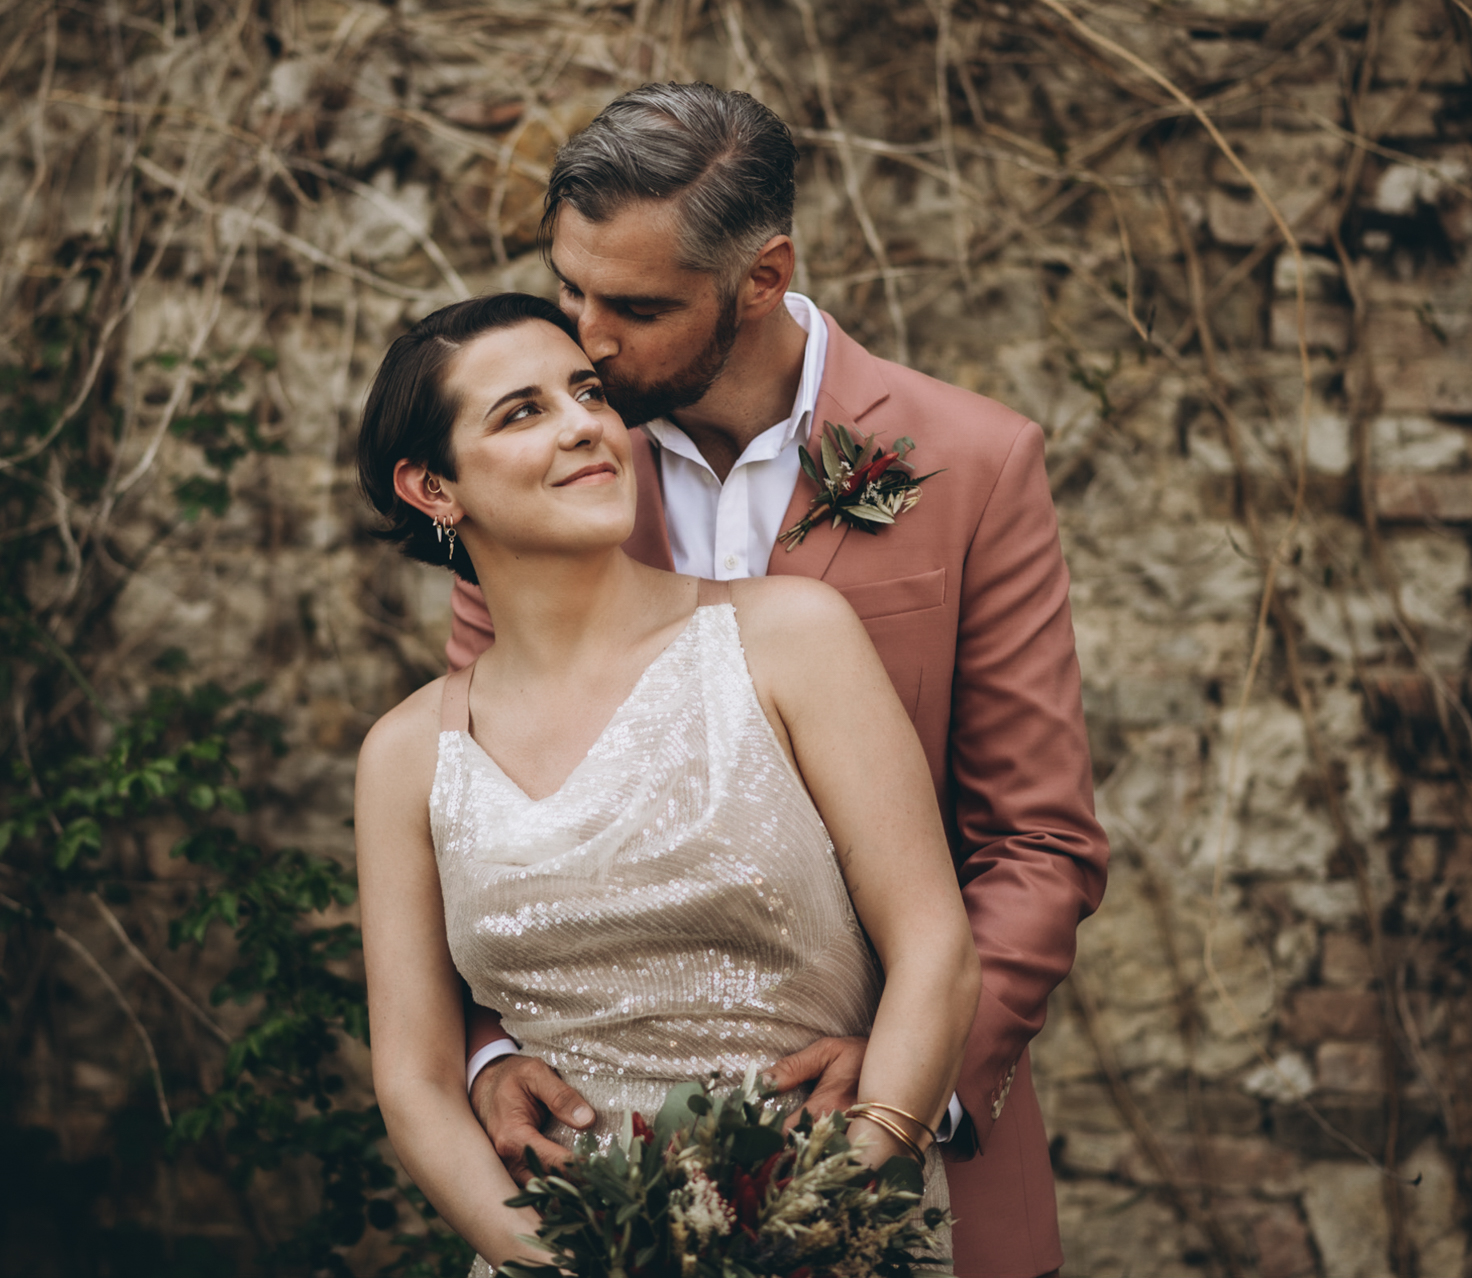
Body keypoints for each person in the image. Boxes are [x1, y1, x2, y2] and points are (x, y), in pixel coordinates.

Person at [443, 84, 1108, 1278]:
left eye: (636, 307)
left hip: (907, 1160)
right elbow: (479, 812)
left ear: (761, 278)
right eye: (570, 290)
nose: (586, 341)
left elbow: (1039, 842)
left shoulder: (974, 464)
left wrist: (908, 1075)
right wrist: (491, 1055)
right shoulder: (539, 478)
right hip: (607, 1181)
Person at [353, 291, 981, 1272]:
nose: (584, 426)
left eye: (589, 392)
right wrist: (555, 1261)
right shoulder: (405, 756)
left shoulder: (791, 641)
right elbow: (417, 1082)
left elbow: (935, 944)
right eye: (523, 412)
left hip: (823, 1231)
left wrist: (830, 1204)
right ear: (432, 487)